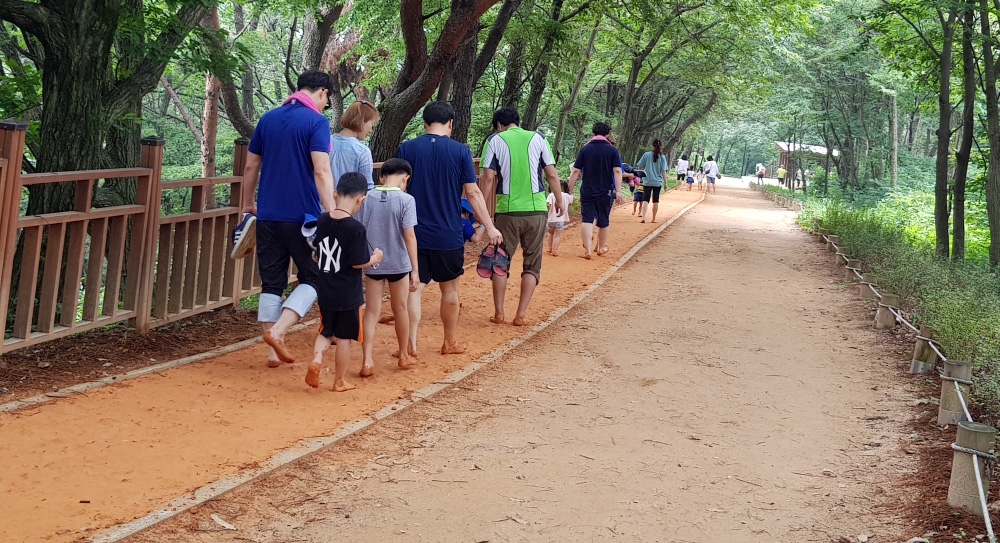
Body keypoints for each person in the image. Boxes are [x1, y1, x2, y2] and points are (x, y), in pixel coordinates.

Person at [236, 70, 335, 368]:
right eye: (327, 99)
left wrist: (247, 204)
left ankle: (271, 352)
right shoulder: (317, 122)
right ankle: (278, 332)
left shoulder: (268, 119)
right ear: (323, 93)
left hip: (266, 215)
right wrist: (332, 213)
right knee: (314, 277)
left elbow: (251, 166)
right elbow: (321, 171)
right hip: (302, 217)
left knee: (272, 282)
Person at [396, 101, 502, 355]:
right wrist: (489, 226)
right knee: (450, 288)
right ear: (451, 123)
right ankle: (449, 342)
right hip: (448, 233)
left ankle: (409, 345)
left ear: (424, 122)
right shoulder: (460, 151)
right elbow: (473, 193)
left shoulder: (407, 149)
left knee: (415, 287)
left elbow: (399, 189)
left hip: (414, 233)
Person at [480, 108, 564, 326]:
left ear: (499, 124)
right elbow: (552, 173)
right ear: (518, 122)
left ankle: (499, 313)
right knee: (532, 262)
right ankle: (521, 315)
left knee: (500, 260)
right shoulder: (539, 138)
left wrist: (480, 212)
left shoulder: (494, 140)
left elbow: (488, 179)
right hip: (536, 210)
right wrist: (559, 199)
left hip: (507, 211)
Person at [305, 172, 384, 392]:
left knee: (326, 330)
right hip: (348, 293)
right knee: (345, 337)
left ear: (335, 194)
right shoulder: (355, 228)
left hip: (326, 288)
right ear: (361, 199)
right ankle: (339, 380)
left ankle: (317, 359)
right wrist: (375, 258)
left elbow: (317, 254)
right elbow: (358, 263)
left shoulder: (323, 220)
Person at [355, 158, 419, 377]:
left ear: (381, 177)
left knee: (372, 311)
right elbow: (410, 236)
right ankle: (403, 354)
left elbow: (359, 229)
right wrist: (415, 270)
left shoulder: (366, 198)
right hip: (398, 263)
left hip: (372, 262)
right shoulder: (406, 200)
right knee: (399, 309)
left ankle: (367, 361)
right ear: (405, 177)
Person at [567, 122, 623, 260]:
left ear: (593, 133)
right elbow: (617, 170)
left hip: (587, 190)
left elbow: (575, 171)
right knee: (604, 220)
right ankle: (601, 248)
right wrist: (619, 190)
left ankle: (588, 250)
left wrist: (569, 191)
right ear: (608, 134)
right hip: (606, 191)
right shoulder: (613, 151)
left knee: (587, 219)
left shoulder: (586, 149)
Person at [331, 100, 380, 191]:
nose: (371, 130)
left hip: (320, 202)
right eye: (372, 124)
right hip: (350, 204)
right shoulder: (362, 151)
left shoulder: (325, 142)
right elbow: (367, 188)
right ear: (362, 122)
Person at [635, 139, 669, 223]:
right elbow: (664, 171)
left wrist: (639, 177)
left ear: (652, 146)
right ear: (661, 146)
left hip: (647, 181)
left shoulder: (646, 155)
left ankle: (643, 217)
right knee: (656, 200)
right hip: (657, 182)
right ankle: (653, 219)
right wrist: (666, 183)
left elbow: (640, 167)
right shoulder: (662, 157)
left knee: (646, 199)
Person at [546, 181, 573, 256]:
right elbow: (573, 199)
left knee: (550, 233)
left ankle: (550, 248)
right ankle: (554, 250)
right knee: (557, 235)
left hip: (551, 219)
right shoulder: (566, 195)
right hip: (561, 219)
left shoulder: (551, 195)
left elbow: (548, 204)